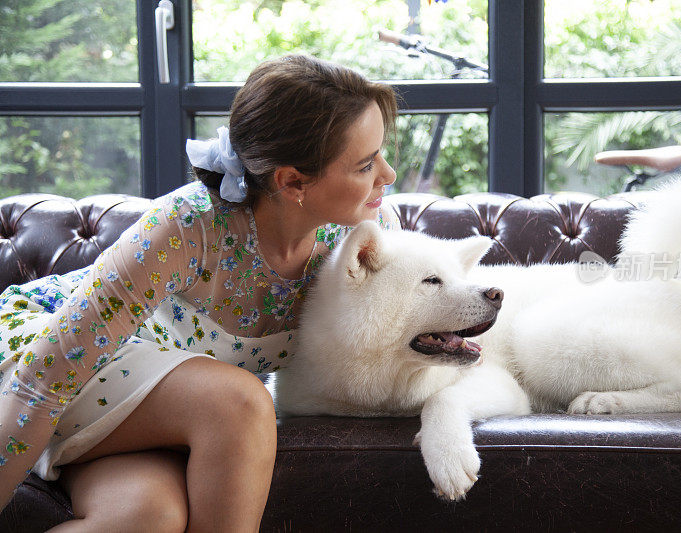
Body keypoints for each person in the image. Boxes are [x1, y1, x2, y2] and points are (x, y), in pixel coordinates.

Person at [0, 53, 399, 531]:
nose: (388, 175)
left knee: (147, 516)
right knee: (239, 403)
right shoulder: (188, 226)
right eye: (366, 163)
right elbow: (41, 380)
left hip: (145, 415)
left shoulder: (359, 239)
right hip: (42, 364)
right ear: (292, 181)